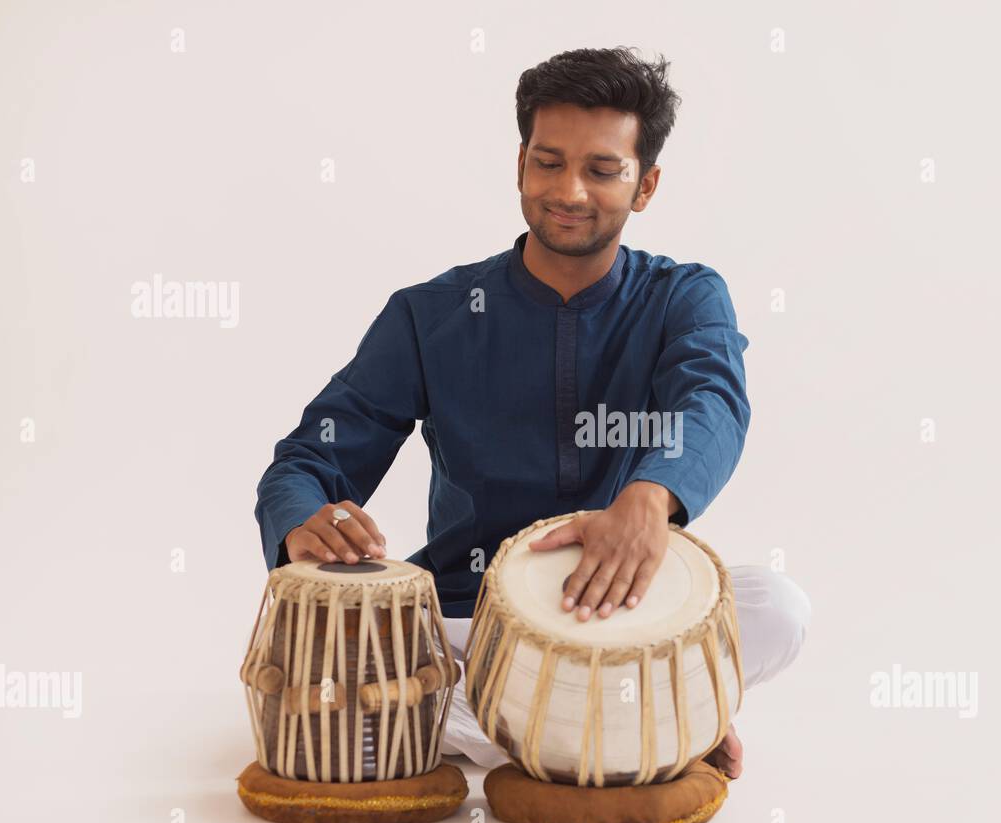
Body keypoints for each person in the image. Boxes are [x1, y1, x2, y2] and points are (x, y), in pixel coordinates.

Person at [254, 47, 811, 780]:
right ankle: (649, 724)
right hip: (464, 627)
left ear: (645, 185)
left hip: (624, 615)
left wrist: (652, 497)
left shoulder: (684, 297)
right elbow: (309, 457)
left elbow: (712, 401)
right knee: (334, 656)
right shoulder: (431, 315)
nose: (570, 189)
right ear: (521, 165)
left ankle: (520, 732)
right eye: (548, 162)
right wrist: (302, 519)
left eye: (601, 170)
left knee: (779, 605)